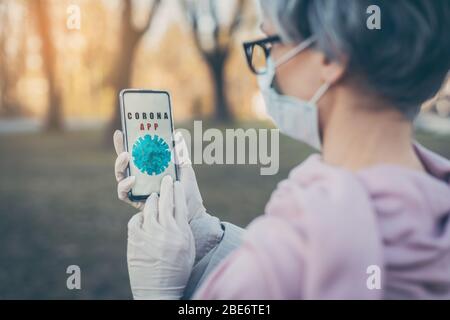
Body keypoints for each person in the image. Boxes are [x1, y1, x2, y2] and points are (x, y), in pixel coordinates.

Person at [113, 0, 450, 299]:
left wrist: (158, 293)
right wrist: (202, 232)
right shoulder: (434, 209)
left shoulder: (283, 264)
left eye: (270, 44)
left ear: (331, 55)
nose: (267, 67)